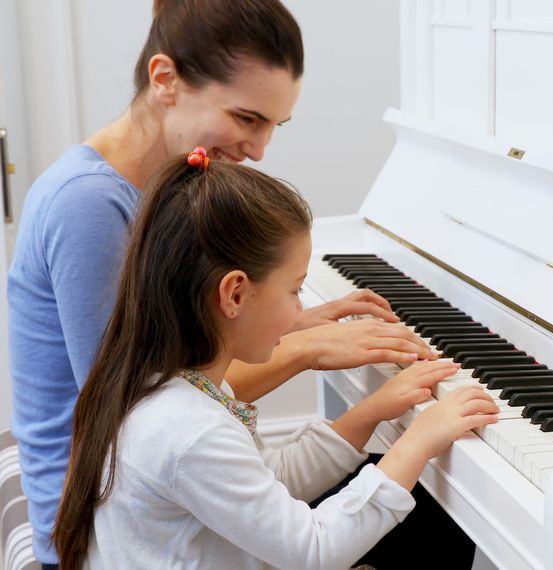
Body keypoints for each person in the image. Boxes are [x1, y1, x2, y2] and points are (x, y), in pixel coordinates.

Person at [5, 1, 434, 566]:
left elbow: (175, 344)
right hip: (98, 531)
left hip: (148, 505)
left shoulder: (162, 192)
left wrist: (289, 319)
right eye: (247, 118)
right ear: (166, 80)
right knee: (420, 516)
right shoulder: (88, 204)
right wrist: (303, 348)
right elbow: (134, 391)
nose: (258, 150)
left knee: (405, 498)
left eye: (274, 126)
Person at [51, 153, 498, 568]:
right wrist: (417, 442)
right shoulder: (187, 430)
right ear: (235, 294)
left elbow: (268, 481)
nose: (300, 311)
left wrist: (369, 414)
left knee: (421, 503)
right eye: (294, 289)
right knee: (437, 517)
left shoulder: (175, 383)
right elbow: (314, 550)